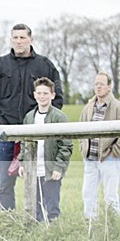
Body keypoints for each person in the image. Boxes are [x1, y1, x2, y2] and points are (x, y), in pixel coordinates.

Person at [0, 23, 63, 211]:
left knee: (39, 181)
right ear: (11, 40)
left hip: (37, 137)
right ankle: (8, 221)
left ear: (31, 40)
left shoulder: (44, 65)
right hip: (7, 136)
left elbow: (57, 98)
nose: (19, 41)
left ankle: (39, 220)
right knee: (5, 184)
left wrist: (43, 124)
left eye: (23, 37)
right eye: (15, 37)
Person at [17, 77, 72, 222]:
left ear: (53, 95)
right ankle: (36, 236)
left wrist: (58, 167)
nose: (42, 96)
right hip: (33, 169)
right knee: (34, 208)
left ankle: (53, 237)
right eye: (39, 93)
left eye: (46, 93)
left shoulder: (59, 117)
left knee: (52, 208)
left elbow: (66, 145)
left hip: (50, 170)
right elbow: (24, 143)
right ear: (34, 95)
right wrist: (22, 163)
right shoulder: (29, 117)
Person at [79, 72, 120, 221]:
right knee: (88, 193)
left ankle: (114, 224)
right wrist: (84, 149)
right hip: (90, 159)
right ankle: (91, 224)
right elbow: (80, 130)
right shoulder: (88, 107)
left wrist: (114, 152)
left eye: (101, 84)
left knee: (110, 194)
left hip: (109, 159)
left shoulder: (116, 106)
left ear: (109, 86)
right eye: (96, 84)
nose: (98, 87)